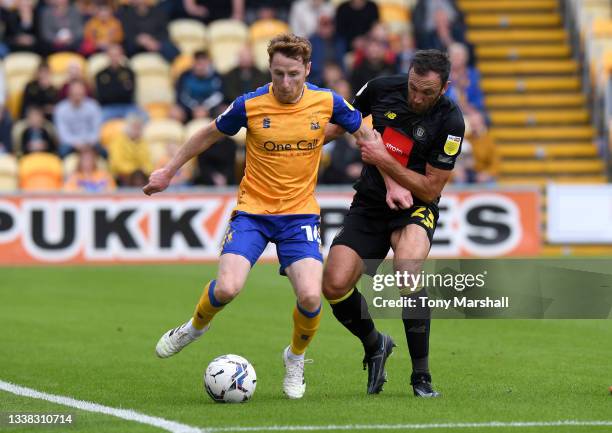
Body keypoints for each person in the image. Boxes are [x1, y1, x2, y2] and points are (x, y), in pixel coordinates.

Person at [143, 33, 374, 399]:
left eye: (293, 74)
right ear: (270, 69)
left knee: (312, 298)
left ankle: (295, 358)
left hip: (299, 215)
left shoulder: (326, 101)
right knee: (229, 287)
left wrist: (381, 164)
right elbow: (207, 134)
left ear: (307, 70)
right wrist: (169, 170)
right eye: (279, 73)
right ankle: (194, 327)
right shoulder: (250, 105)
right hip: (253, 211)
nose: (285, 83)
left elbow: (363, 128)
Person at [322, 49, 464, 397]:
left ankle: (421, 377)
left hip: (416, 206)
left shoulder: (451, 121)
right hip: (370, 203)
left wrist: (385, 161)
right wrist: (297, 143)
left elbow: (431, 188)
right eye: (414, 87)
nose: (416, 97)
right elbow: (339, 125)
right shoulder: (381, 88)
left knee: (407, 272)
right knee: (334, 285)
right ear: (409, 75)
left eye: (426, 92)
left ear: (444, 87)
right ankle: (375, 345)